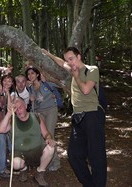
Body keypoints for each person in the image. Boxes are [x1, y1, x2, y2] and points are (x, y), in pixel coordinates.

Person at [42, 47, 107, 187]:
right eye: (68, 60)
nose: (69, 63)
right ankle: (90, 184)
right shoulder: (72, 68)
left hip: (92, 114)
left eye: (71, 59)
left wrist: (76, 76)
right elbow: (60, 63)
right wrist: (48, 54)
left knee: (96, 154)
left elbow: (85, 90)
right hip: (78, 117)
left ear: (79, 56)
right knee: (74, 154)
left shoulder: (91, 70)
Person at [0, 97, 55, 187]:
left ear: (25, 105)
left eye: (20, 107)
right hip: (20, 153)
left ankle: (39, 173)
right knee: (15, 164)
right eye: (16, 109)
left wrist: (49, 138)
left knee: (51, 148)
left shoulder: (36, 116)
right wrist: (9, 113)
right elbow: (0, 130)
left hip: (37, 151)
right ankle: (23, 169)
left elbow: (46, 133)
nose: (18, 111)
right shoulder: (12, 120)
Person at [25, 66, 61, 171]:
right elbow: (33, 103)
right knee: (42, 137)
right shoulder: (30, 87)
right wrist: (32, 99)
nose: (30, 76)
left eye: (32, 73)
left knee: (50, 134)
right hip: (39, 112)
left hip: (51, 110)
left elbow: (59, 85)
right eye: (28, 74)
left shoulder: (45, 83)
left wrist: (48, 80)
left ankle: (55, 162)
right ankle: (47, 160)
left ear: (37, 74)